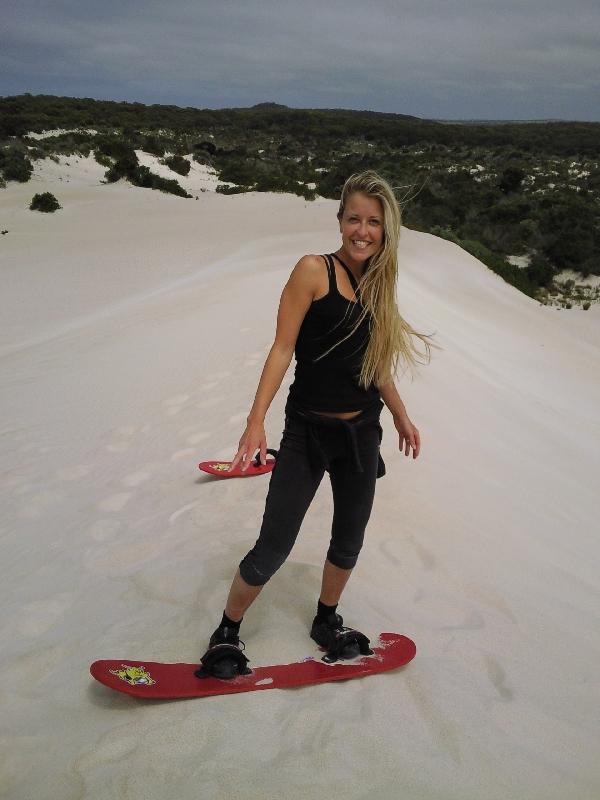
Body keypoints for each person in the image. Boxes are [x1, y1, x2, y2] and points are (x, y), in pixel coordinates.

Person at [200, 170, 437, 678]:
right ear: (340, 220)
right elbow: (282, 348)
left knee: (348, 539)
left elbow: (376, 364)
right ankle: (227, 630)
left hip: (361, 436)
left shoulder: (378, 283)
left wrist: (400, 414)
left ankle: (326, 619)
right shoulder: (313, 270)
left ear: (385, 229)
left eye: (373, 222)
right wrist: (255, 421)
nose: (363, 230)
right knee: (274, 544)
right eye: (354, 218)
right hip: (307, 432)